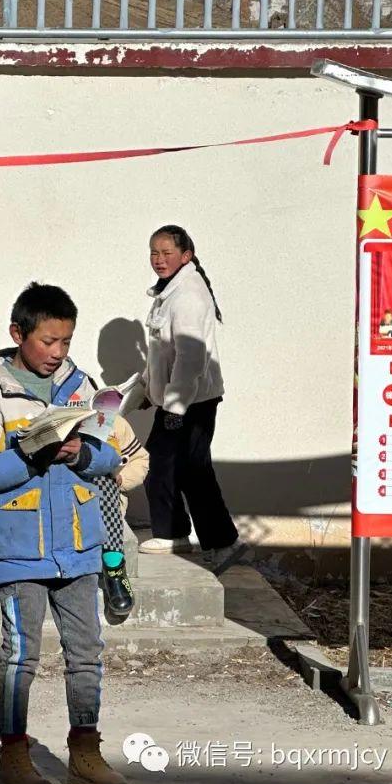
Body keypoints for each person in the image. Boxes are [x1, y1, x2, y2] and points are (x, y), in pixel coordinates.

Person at [0, 282, 127, 784]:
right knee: (20, 656)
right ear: (18, 334)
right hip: (19, 548)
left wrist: (81, 453)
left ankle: (85, 753)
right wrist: (32, 454)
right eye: (48, 341)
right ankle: (14, 759)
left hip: (78, 544)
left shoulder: (82, 386)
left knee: (87, 653)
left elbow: (112, 455)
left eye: (66, 342)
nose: (58, 353)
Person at [137, 225, 243, 574]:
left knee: (184, 469)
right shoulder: (170, 292)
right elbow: (161, 353)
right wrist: (146, 390)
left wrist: (176, 407)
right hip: (179, 398)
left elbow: (190, 359)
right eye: (154, 252)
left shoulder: (188, 297)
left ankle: (223, 541)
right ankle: (176, 533)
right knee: (174, 467)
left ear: (186, 256)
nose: (159, 259)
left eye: (167, 253)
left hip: (191, 400)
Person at [93, 415, 149, 618]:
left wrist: (121, 478)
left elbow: (139, 460)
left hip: (105, 497)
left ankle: (114, 568)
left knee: (103, 476)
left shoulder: (112, 421)